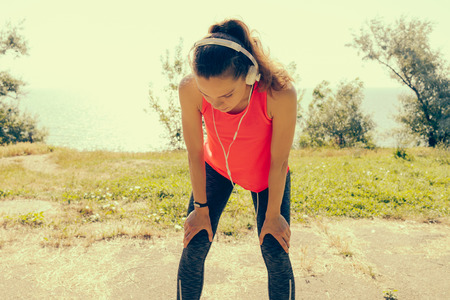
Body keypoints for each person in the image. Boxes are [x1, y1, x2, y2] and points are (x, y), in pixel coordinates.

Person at [177, 18, 297, 300]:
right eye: (208, 95)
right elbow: (194, 153)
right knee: (194, 242)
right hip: (217, 167)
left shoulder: (279, 94)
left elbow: (279, 161)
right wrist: (200, 208)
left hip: (266, 174)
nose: (217, 104)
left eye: (227, 94)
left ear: (250, 74)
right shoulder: (189, 90)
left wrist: (272, 216)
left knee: (274, 247)